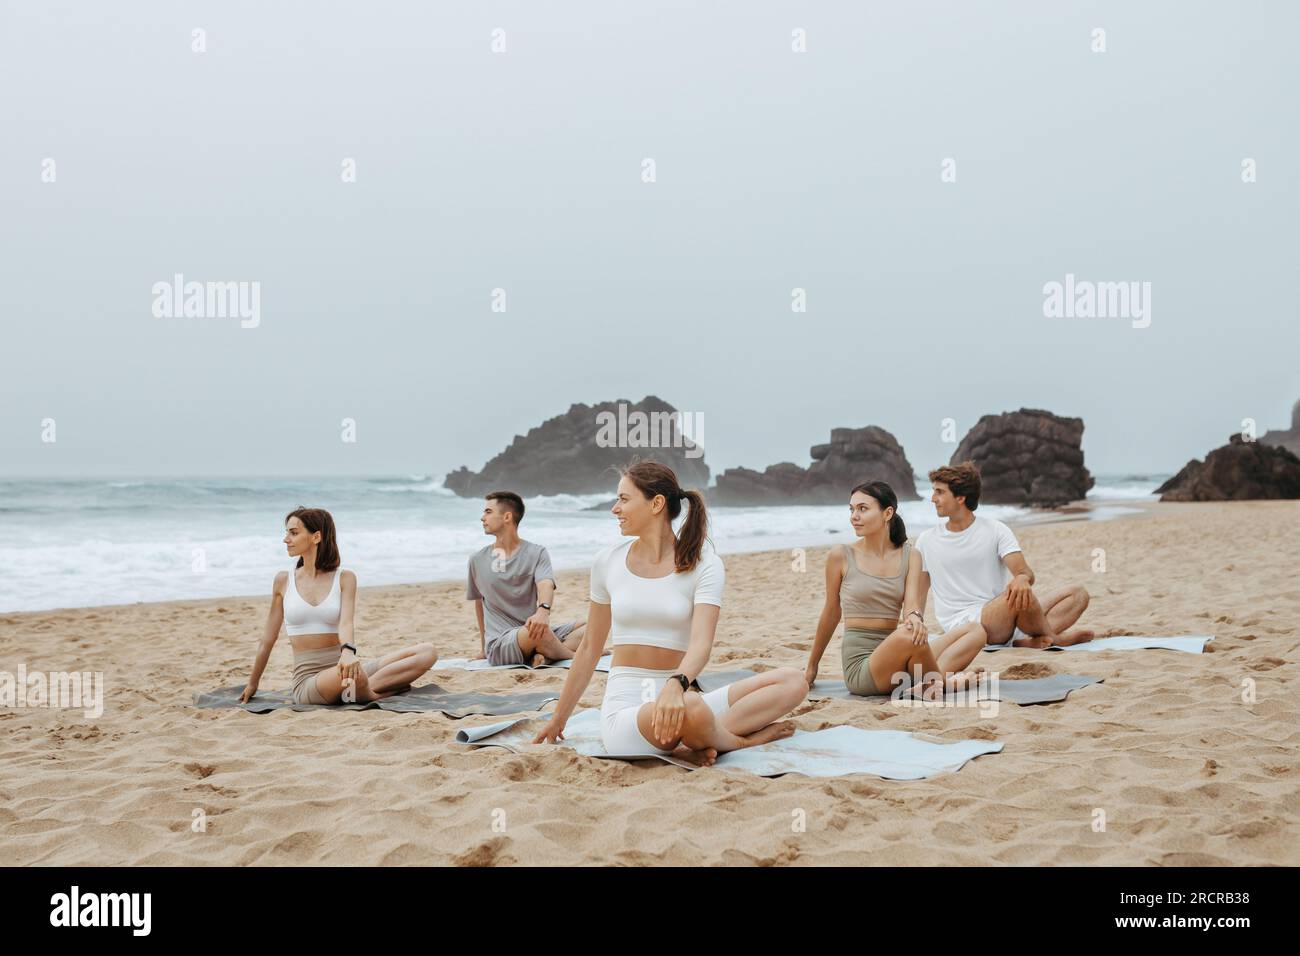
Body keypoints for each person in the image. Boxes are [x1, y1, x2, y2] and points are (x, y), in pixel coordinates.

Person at [533, 461, 806, 764]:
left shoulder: (705, 564)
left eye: (624, 499)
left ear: (657, 504)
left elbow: (701, 644)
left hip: (679, 693)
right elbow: (589, 649)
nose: (615, 508)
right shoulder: (607, 562)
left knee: (794, 681)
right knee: (695, 709)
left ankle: (699, 736)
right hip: (627, 714)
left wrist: (675, 685)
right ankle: (739, 741)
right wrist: (558, 719)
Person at [803, 481, 987, 697]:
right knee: (909, 635)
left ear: (887, 513)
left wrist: (916, 617)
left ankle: (931, 680)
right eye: (852, 509)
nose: (854, 516)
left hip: (901, 653)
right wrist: (812, 666)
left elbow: (911, 605)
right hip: (864, 668)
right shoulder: (840, 556)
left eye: (863, 509)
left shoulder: (911, 555)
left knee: (975, 630)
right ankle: (944, 682)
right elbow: (831, 611)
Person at [239, 507, 438, 705]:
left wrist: (348, 651)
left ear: (316, 537)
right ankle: (371, 694)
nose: (286, 539)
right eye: (286, 532)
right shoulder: (283, 580)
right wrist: (252, 684)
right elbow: (268, 639)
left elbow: (346, 623)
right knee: (352, 675)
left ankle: (362, 689)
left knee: (428, 652)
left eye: (293, 533)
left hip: (343, 665)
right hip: (310, 682)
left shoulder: (345, 578)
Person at [916, 462, 1094, 649]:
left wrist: (1022, 578)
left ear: (960, 498)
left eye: (939, 492)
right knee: (1020, 596)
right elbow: (918, 593)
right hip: (966, 626)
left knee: (1078, 594)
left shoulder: (995, 530)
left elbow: (1025, 572)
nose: (933, 498)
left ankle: (1027, 640)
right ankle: (1054, 638)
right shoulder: (926, 540)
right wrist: (915, 620)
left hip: (1005, 617)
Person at [467, 491, 586, 666]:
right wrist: (484, 648)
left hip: (533, 629)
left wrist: (542, 611)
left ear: (507, 517)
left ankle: (542, 655)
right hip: (502, 643)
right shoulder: (477, 560)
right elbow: (479, 604)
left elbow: (545, 583)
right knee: (539, 633)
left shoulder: (537, 552)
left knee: (591, 627)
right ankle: (570, 656)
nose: (482, 518)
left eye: (488, 512)